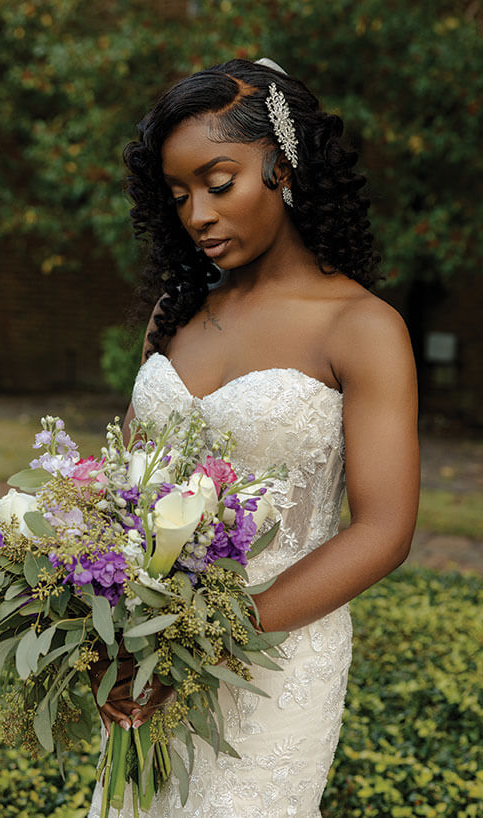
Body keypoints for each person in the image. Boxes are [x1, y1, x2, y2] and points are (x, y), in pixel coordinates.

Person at [87, 58, 420, 817]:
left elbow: (384, 531)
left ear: (283, 165)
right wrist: (108, 629)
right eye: (178, 196)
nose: (198, 213)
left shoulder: (362, 327)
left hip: (276, 655)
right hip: (145, 659)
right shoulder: (174, 314)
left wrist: (196, 645)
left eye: (218, 182)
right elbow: (123, 490)